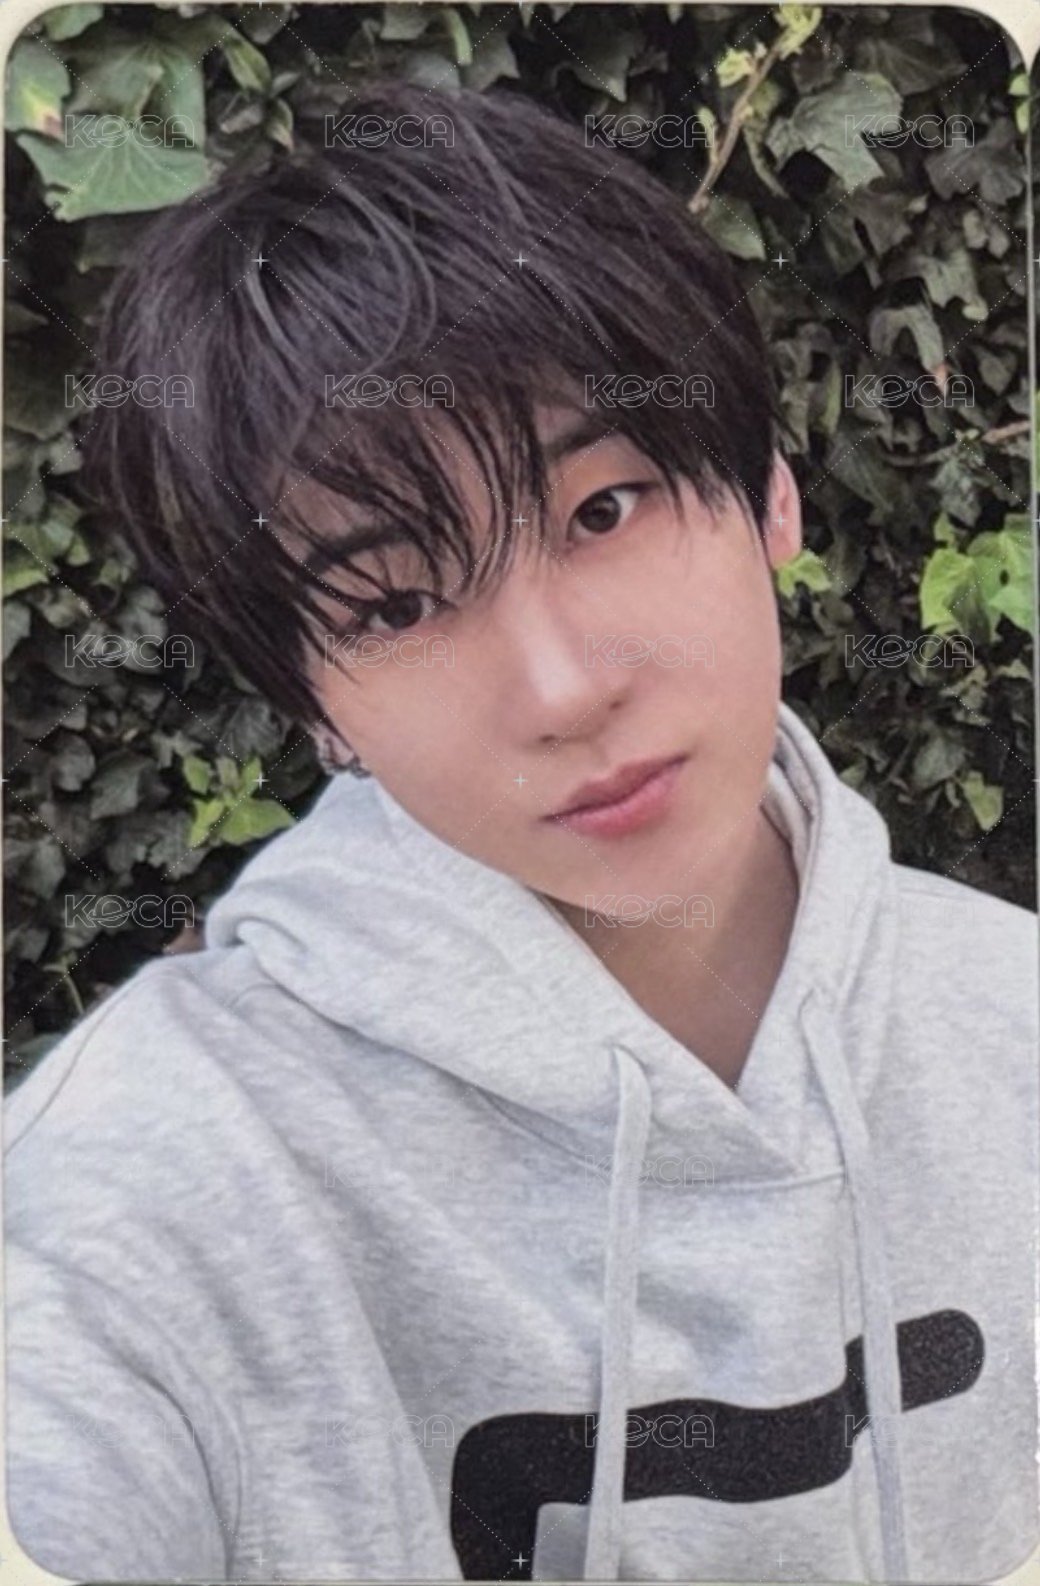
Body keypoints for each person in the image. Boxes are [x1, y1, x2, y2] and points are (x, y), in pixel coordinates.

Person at [3, 81, 1037, 1585]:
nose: (560, 691)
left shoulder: (1014, 1021)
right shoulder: (148, 1179)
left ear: (770, 493)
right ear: (314, 704)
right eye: (396, 604)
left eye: (603, 510)